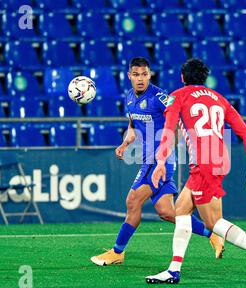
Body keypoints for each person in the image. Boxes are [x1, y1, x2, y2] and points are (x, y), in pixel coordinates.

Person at [145, 58, 246, 284]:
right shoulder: (219, 98)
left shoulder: (177, 96)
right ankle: (173, 269)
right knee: (181, 211)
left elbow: (169, 129)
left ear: (182, 77)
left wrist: (160, 161)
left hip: (203, 162)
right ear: (204, 78)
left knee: (213, 223)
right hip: (218, 160)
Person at [91, 57, 225, 266]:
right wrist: (125, 144)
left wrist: (166, 149)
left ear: (149, 74)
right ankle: (212, 234)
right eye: (136, 74)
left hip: (158, 162)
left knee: (132, 201)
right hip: (149, 160)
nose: (140, 79)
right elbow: (133, 125)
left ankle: (117, 252)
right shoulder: (129, 98)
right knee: (167, 212)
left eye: (144, 74)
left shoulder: (159, 97)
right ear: (129, 76)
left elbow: (177, 117)